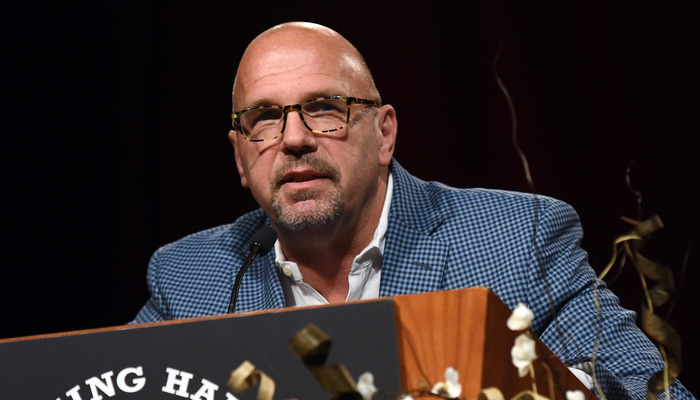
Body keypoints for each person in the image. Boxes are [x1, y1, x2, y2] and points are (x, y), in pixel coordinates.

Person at [132, 22, 694, 399]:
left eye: (324, 108)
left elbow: (656, 392)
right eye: (265, 118)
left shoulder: (515, 241)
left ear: (384, 134)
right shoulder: (192, 278)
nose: (295, 138)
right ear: (240, 156)